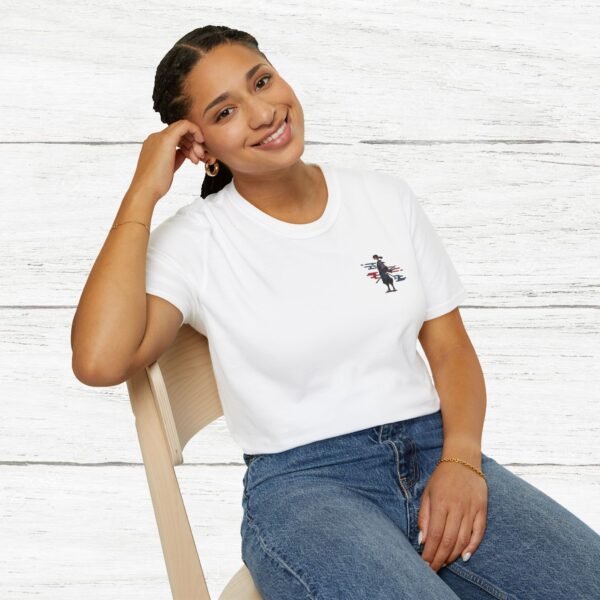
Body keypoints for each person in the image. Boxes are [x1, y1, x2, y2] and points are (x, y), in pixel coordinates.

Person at [70, 25, 600, 599]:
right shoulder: (197, 241)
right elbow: (99, 361)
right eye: (225, 112)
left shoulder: (385, 198)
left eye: (262, 82)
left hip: (435, 451)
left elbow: (450, 350)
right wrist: (142, 192)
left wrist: (463, 460)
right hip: (304, 487)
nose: (263, 113)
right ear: (201, 148)